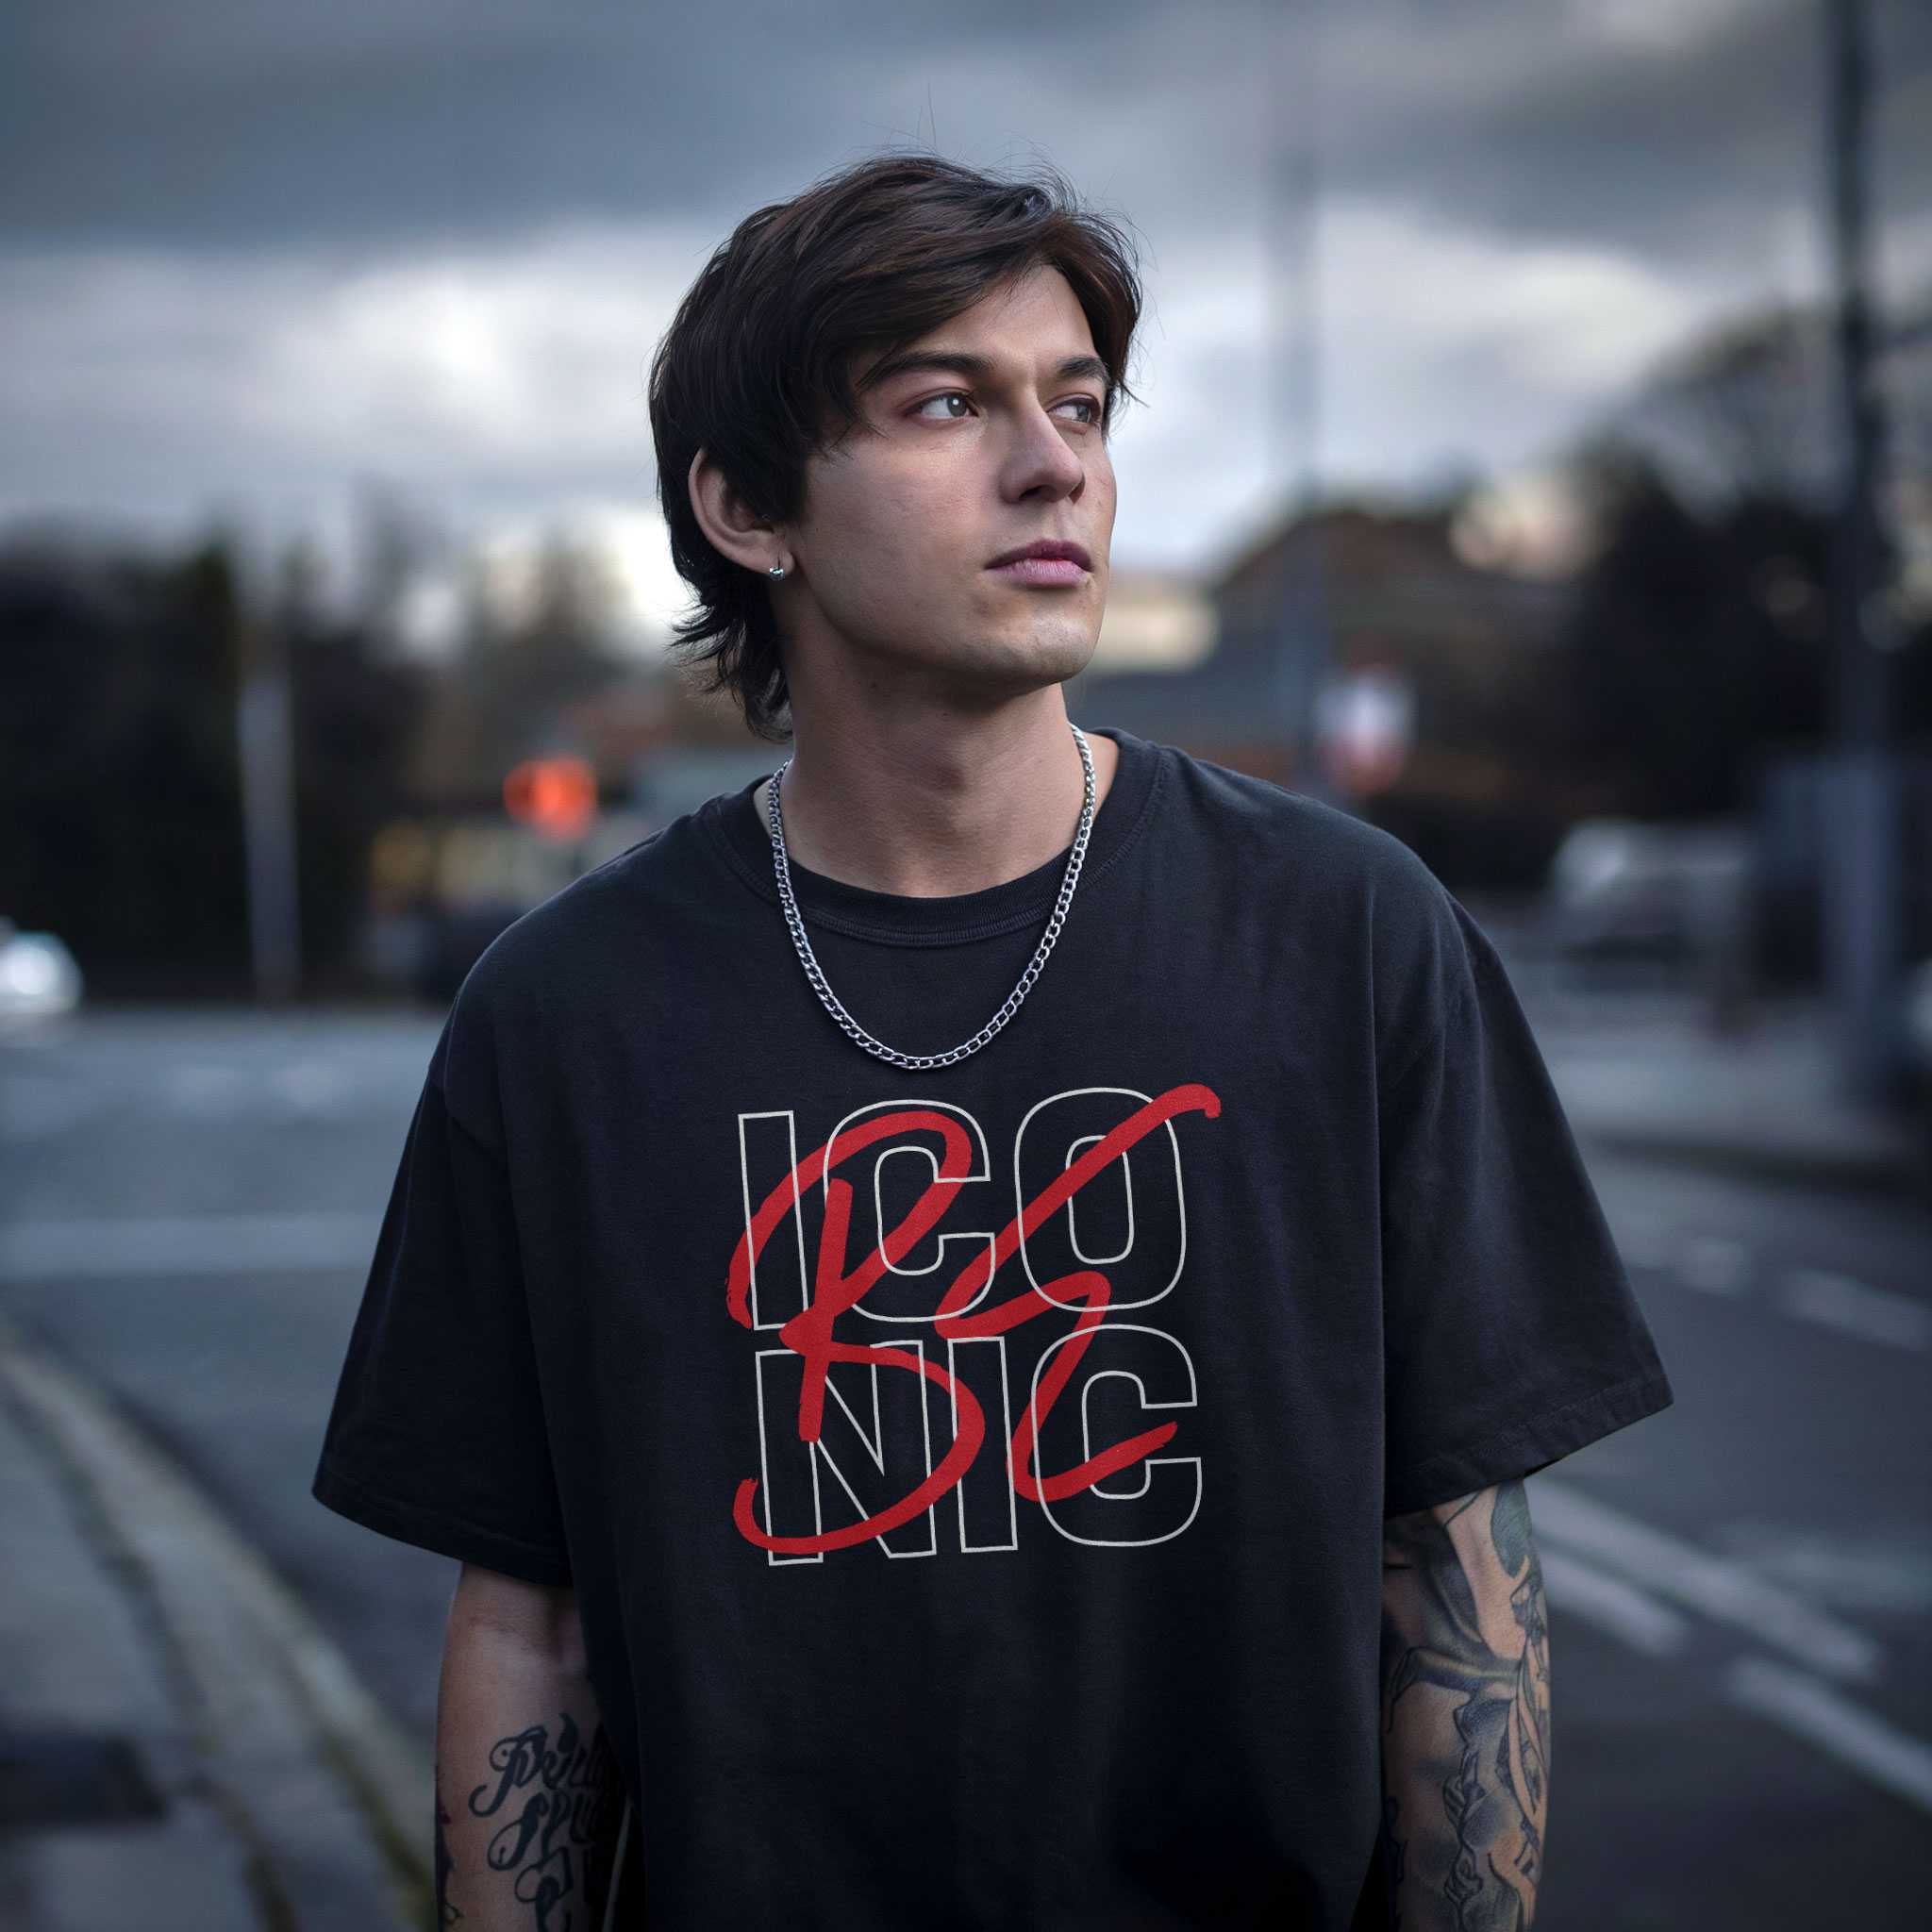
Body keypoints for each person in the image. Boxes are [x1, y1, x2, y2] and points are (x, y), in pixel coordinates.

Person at [312, 149, 1675, 1931]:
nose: (1056, 466)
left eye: (1081, 404)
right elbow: (532, 1628)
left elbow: (1457, 1583)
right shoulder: (564, 1015)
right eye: (946, 402)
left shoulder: (1349, 937)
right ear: (747, 506)